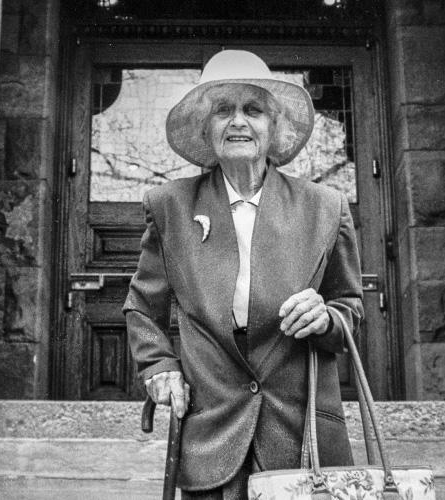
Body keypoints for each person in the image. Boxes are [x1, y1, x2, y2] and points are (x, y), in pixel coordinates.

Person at [123, 50, 364, 499]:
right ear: (206, 127)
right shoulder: (170, 206)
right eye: (223, 110)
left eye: (252, 110)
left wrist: (327, 318)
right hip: (211, 429)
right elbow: (142, 307)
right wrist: (158, 365)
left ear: (273, 128)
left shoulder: (326, 208)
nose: (237, 121)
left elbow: (350, 309)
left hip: (301, 435)